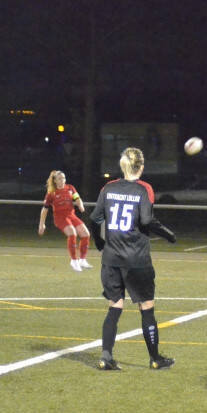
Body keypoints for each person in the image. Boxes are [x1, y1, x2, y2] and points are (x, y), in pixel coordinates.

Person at [89, 147, 177, 371]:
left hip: (111, 259)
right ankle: (155, 358)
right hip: (136, 260)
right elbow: (146, 220)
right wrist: (168, 234)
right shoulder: (144, 189)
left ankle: (106, 356)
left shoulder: (108, 188)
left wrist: (100, 243)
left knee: (114, 306)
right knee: (146, 307)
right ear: (141, 166)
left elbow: (95, 218)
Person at [38, 170, 92, 272]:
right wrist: (42, 224)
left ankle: (82, 260)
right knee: (72, 233)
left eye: (63, 178)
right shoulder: (51, 193)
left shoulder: (70, 188)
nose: (62, 180)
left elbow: (77, 198)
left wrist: (80, 205)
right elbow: (45, 209)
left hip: (71, 216)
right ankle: (74, 261)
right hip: (60, 218)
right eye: (59, 178)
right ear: (55, 181)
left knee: (86, 234)